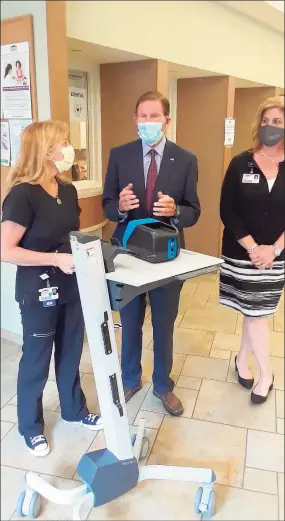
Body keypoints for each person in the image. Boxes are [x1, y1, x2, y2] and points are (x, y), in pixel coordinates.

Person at [1, 120, 103, 457]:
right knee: (37, 359)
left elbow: (69, 236)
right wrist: (53, 259)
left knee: (72, 350)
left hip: (72, 286)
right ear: (45, 150)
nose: (67, 148)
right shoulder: (22, 195)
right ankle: (30, 427)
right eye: (63, 142)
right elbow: (6, 250)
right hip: (38, 290)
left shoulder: (68, 190)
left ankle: (74, 409)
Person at [103, 91, 200, 415]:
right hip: (128, 254)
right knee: (130, 323)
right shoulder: (119, 155)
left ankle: (163, 385)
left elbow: (193, 211)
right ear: (135, 120)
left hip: (166, 257)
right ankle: (130, 378)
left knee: (163, 323)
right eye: (142, 116)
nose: (147, 122)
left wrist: (175, 212)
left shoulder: (186, 160)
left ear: (166, 121)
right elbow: (106, 203)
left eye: (153, 116)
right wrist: (118, 206)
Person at [220, 96, 284, 404]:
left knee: (254, 311)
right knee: (255, 313)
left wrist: (273, 249)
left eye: (278, 122)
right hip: (241, 254)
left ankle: (242, 360)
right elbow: (227, 210)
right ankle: (266, 373)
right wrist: (254, 248)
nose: (270, 127)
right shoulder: (241, 161)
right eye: (266, 121)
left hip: (276, 257)